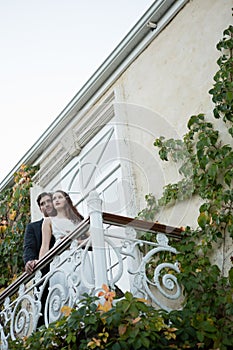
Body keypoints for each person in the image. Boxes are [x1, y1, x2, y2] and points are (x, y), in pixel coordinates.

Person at [39, 190, 89, 323]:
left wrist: (74, 241)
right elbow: (44, 246)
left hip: (79, 256)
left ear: (66, 200)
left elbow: (92, 239)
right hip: (61, 258)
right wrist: (40, 268)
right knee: (63, 289)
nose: (56, 200)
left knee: (82, 287)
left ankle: (85, 318)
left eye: (59, 197)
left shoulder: (77, 220)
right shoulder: (48, 220)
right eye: (54, 198)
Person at [23, 191, 56, 328]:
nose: (46, 205)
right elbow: (29, 247)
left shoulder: (67, 220)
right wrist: (30, 261)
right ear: (40, 209)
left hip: (68, 267)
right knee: (45, 313)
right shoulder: (33, 227)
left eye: (49, 201)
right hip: (45, 274)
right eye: (42, 204)